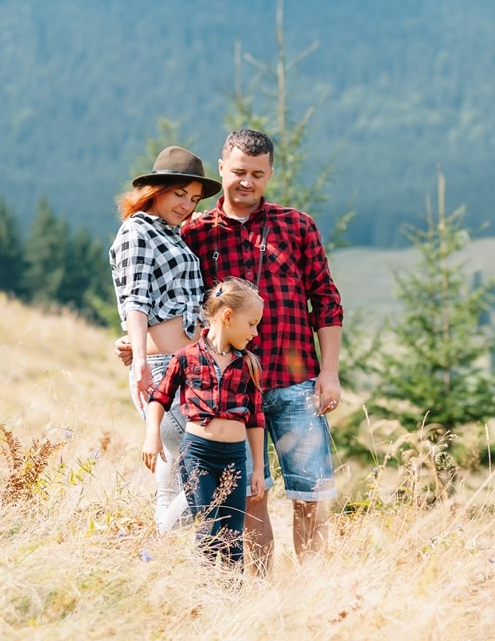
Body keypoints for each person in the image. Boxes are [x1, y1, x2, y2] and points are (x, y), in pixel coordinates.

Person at [118, 128, 343, 572]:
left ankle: (316, 589)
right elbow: (169, 296)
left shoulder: (296, 226)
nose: (247, 182)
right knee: (249, 494)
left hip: (296, 381)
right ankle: (260, 592)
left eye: (258, 174)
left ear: (270, 174)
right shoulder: (194, 233)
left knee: (311, 491)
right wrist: (139, 340)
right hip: (232, 387)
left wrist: (329, 372)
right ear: (222, 169)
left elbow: (327, 299)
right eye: (239, 171)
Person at [109, 145, 222, 532]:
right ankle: (152, 549)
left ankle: (157, 572)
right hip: (161, 368)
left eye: (193, 199)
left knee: (173, 477)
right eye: (179, 194)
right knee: (213, 472)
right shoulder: (136, 231)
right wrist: (139, 359)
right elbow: (135, 300)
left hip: (188, 366)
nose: (187, 205)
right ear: (156, 189)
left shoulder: (171, 234)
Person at [142, 277, 266, 565]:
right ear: (228, 316)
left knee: (233, 533)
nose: (255, 332)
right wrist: (152, 436)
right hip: (198, 454)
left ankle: (232, 596)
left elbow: (256, 417)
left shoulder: (248, 363)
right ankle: (204, 592)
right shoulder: (186, 357)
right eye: (251, 324)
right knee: (208, 527)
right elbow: (160, 398)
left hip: (235, 458)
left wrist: (258, 467)